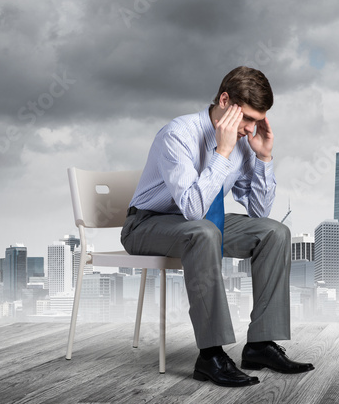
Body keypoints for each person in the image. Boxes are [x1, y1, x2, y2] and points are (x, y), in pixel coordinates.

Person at [122, 66, 314, 387]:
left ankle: (260, 345)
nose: (250, 129)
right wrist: (222, 152)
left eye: (257, 121)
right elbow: (194, 210)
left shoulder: (244, 144)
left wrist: (264, 159)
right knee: (204, 232)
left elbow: (259, 212)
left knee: (274, 232)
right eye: (246, 119)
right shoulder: (177, 135)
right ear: (224, 100)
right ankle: (210, 355)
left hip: (202, 227)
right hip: (146, 225)